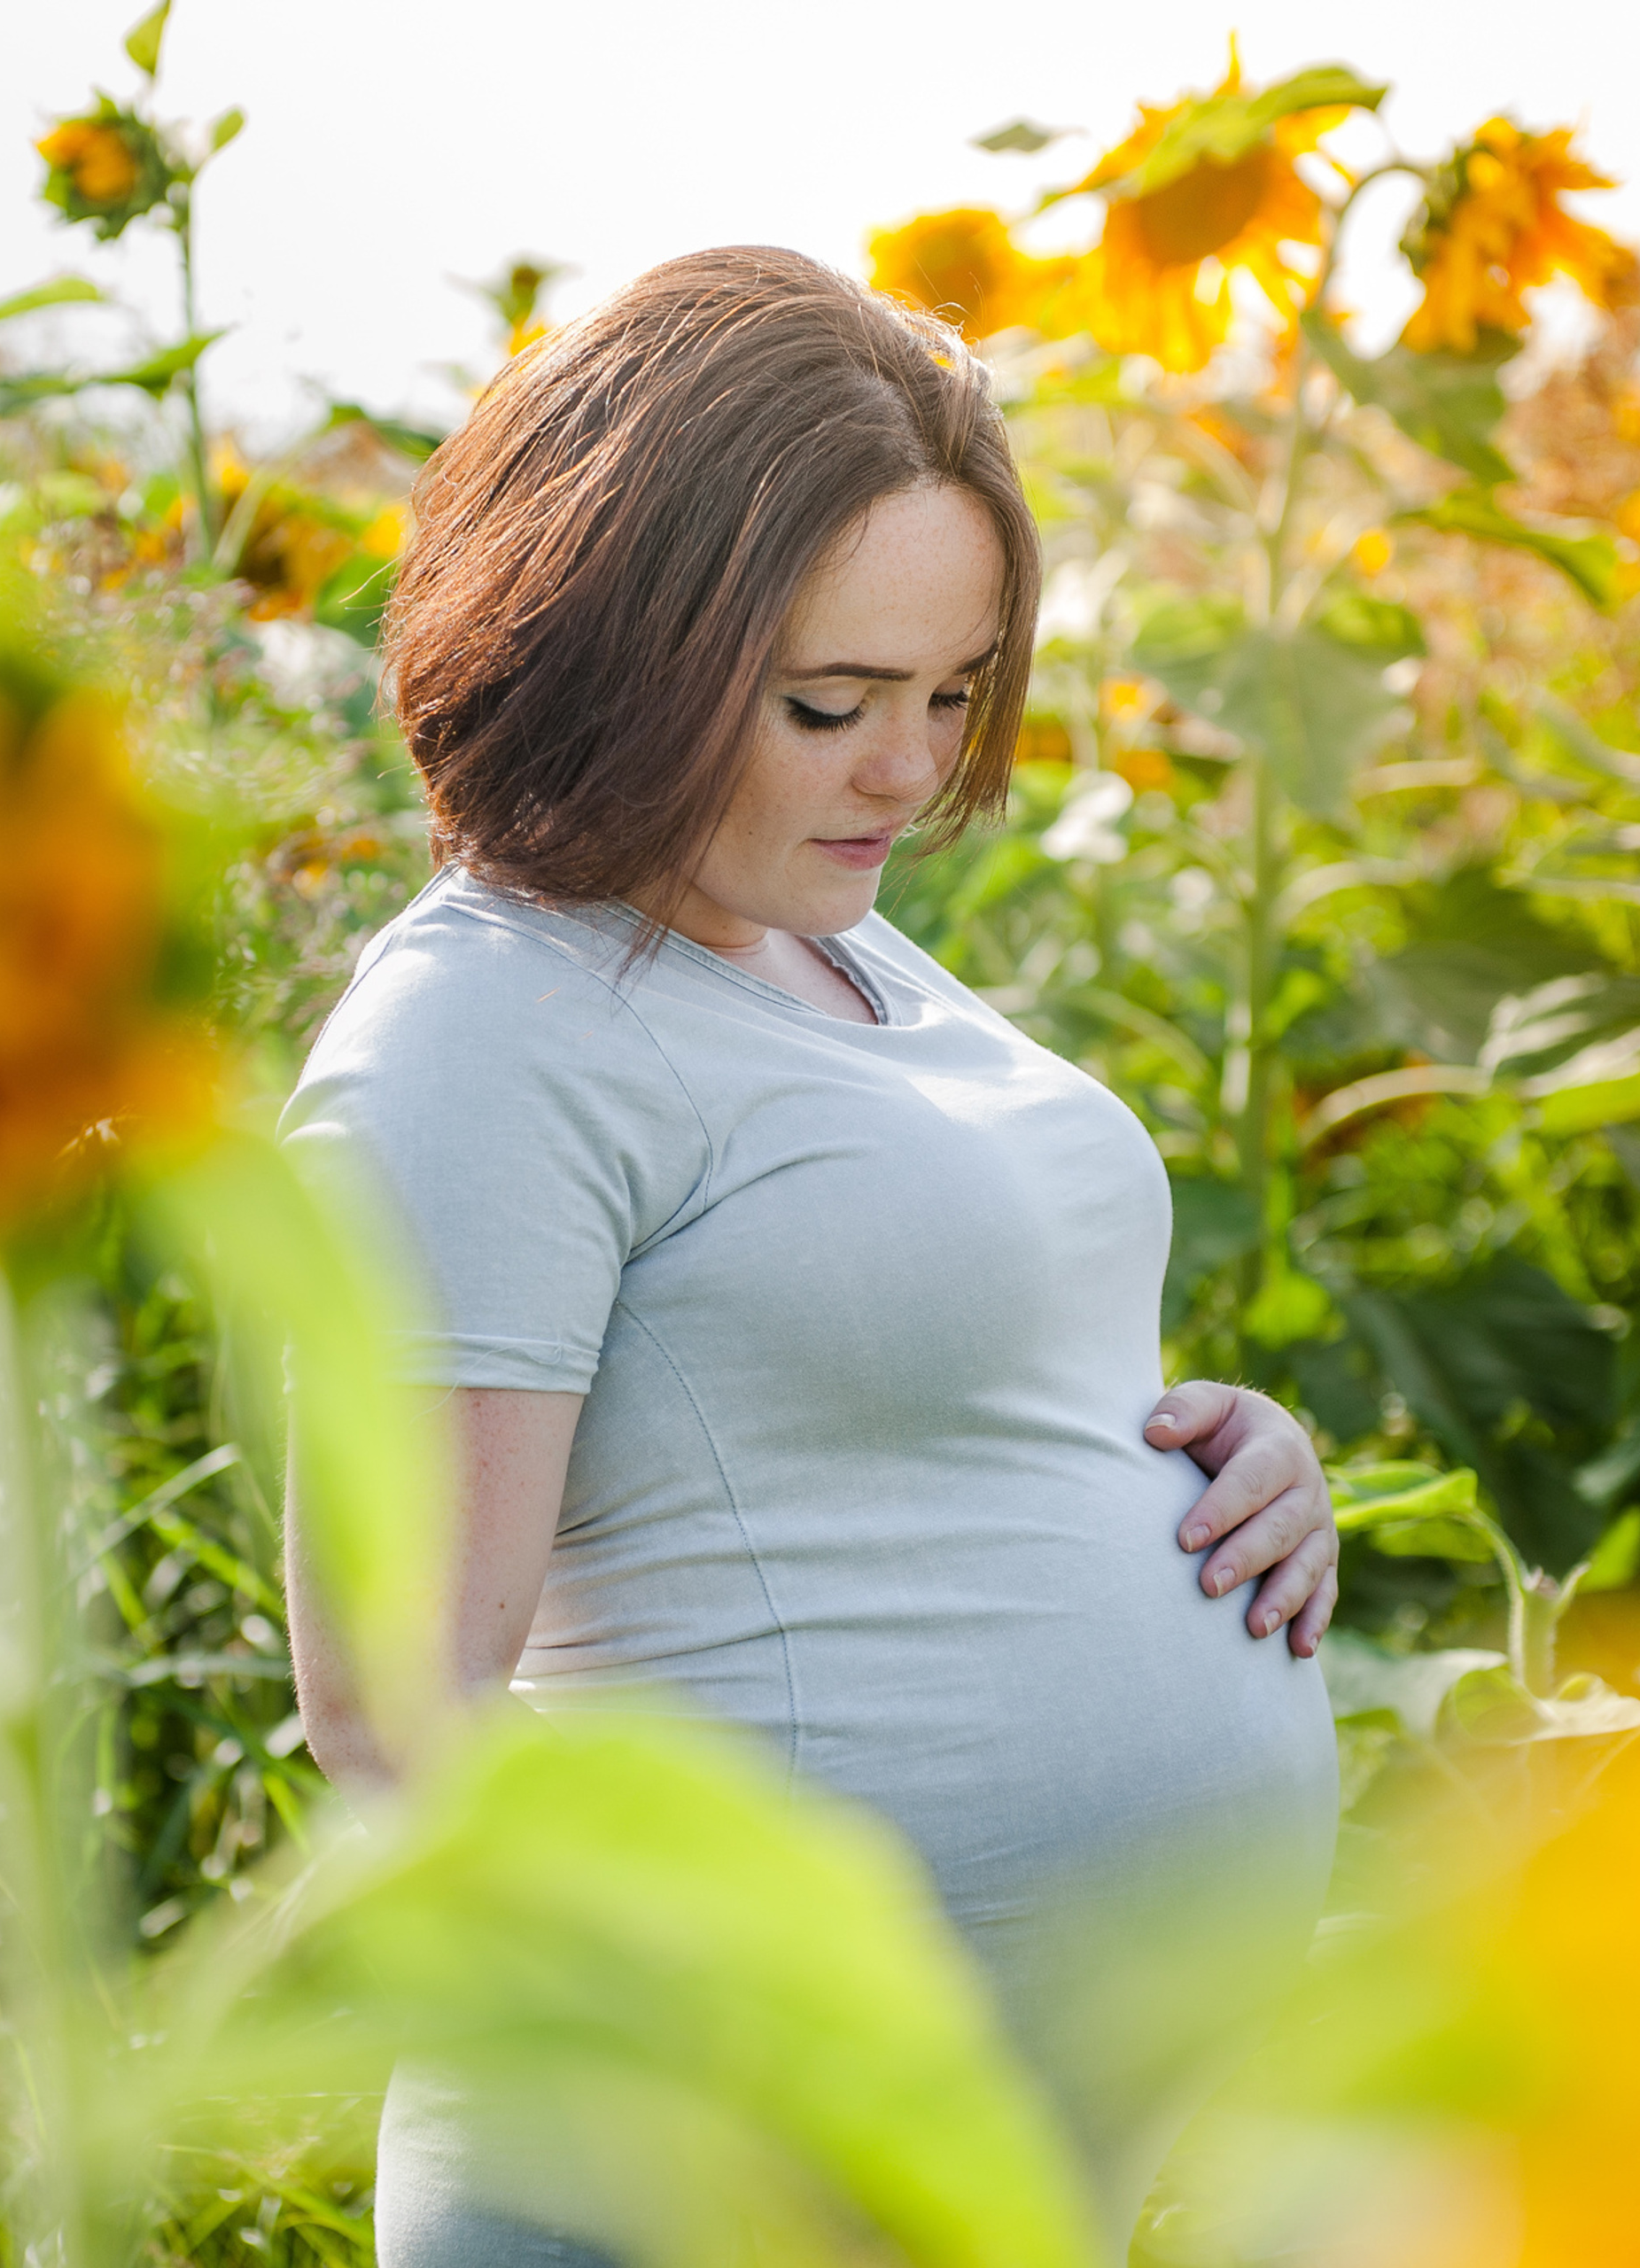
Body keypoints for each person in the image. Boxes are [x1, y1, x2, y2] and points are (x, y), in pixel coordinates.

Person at [279, 246, 1341, 2264]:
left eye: (949, 694)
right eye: (829, 702)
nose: (909, 769)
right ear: (608, 649)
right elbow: (396, 1707)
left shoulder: (826, 941)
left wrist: (1231, 1461)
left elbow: (925, 1391)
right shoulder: (487, 1031)